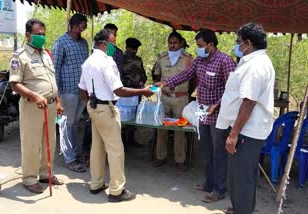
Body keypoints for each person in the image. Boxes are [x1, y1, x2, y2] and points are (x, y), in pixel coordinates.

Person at [154, 29, 236, 201]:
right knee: (206, 150)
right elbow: (185, 74)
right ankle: (208, 183)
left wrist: (217, 104)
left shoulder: (225, 61)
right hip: (202, 113)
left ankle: (219, 190)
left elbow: (232, 89)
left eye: (200, 45)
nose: (197, 49)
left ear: (211, 45)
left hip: (219, 116)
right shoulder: (199, 60)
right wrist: (166, 82)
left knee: (218, 153)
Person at [78, 29, 153, 202]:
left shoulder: (88, 61)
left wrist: (91, 104)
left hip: (94, 107)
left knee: (96, 147)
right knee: (115, 149)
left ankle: (96, 183)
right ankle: (117, 190)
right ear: (104, 44)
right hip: (105, 108)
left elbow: (82, 89)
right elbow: (118, 90)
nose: (115, 47)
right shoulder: (107, 62)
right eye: (113, 43)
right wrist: (143, 91)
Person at [216, 23, 275, 214]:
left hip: (246, 131)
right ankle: (241, 208)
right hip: (246, 129)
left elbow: (248, 102)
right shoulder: (252, 61)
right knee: (241, 175)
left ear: (248, 43)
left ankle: (242, 210)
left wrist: (233, 134)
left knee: (242, 177)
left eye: (238, 42)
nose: (236, 45)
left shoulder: (256, 66)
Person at [9, 19, 64, 194]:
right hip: (32, 106)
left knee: (50, 142)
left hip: (50, 105)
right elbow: (14, 84)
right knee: (31, 143)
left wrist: (58, 101)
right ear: (28, 35)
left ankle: (45, 173)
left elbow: (51, 80)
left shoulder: (46, 54)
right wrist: (34, 96)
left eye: (43, 34)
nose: (42, 37)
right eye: (38, 34)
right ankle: (30, 178)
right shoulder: (20, 56)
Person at [52, 14, 88, 173]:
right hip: (67, 90)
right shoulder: (60, 43)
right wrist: (57, 96)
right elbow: (55, 70)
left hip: (82, 91)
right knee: (67, 124)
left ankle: (74, 153)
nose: (83, 28)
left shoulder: (84, 43)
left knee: (74, 124)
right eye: (81, 25)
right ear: (73, 25)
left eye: (85, 25)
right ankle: (70, 159)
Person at [152, 31, 193, 172]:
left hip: (181, 98)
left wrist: (188, 93)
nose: (172, 45)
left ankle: (179, 159)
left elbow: (193, 79)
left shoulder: (188, 59)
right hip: (164, 97)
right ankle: (160, 156)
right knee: (161, 127)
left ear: (181, 43)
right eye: (170, 42)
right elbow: (155, 75)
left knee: (179, 130)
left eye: (175, 43)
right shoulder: (162, 58)